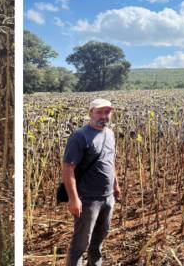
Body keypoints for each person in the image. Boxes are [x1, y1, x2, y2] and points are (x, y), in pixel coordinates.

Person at [62, 97, 120, 266]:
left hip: (108, 198)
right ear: (90, 114)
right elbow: (68, 168)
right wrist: (74, 199)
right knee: (80, 245)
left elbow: (110, 161)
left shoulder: (110, 133)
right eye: (100, 112)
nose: (104, 116)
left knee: (98, 242)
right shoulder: (79, 137)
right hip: (88, 199)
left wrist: (115, 184)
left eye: (107, 112)